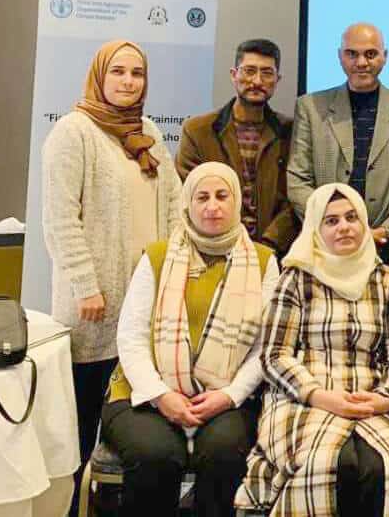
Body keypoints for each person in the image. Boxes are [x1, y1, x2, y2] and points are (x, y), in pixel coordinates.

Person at [40, 39, 182, 516]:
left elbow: (174, 205)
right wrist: (85, 285)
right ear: (99, 76)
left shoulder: (149, 133)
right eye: (118, 71)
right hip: (92, 308)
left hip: (145, 305)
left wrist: (173, 274)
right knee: (80, 429)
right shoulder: (73, 132)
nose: (128, 81)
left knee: (133, 427)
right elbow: (60, 219)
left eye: (137, 73)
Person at [102, 162, 279, 517]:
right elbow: (132, 338)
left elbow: (265, 347)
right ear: (187, 204)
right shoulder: (157, 256)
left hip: (228, 396)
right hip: (145, 393)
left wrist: (229, 396)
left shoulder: (264, 261)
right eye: (202, 197)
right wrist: (161, 395)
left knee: (223, 453)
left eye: (222, 196)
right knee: (155, 454)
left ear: (237, 202)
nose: (212, 206)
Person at [238, 183, 389, 516]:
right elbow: (274, 355)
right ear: (315, 229)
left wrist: (386, 398)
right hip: (302, 398)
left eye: (351, 218)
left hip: (368, 398)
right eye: (331, 221)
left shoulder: (388, 280)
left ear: (364, 223)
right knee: (331, 464)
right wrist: (319, 395)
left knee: (386, 467)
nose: (344, 227)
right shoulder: (296, 277)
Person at [288, 22, 389, 281]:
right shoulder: (311, 107)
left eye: (371, 54)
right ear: (340, 56)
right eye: (352, 54)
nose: (362, 62)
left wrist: (384, 231)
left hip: (388, 249)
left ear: (385, 57)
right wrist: (332, 224)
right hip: (324, 248)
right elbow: (298, 180)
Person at [177, 38, 296, 254]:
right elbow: (189, 194)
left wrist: (268, 245)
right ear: (234, 75)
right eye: (249, 71)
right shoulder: (198, 131)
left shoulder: (291, 132)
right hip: (213, 249)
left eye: (267, 73)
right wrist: (226, 243)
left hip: (274, 252)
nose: (257, 81)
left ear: (277, 80)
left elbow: (295, 197)